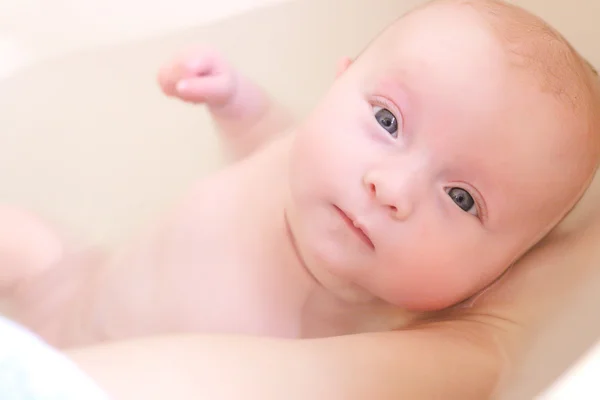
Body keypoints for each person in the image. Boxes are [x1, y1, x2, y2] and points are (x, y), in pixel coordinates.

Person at [2, 0, 600, 349]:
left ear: (499, 273)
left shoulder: (372, 341)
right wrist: (233, 100)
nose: (391, 187)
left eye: (463, 198)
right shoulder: (299, 157)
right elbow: (265, 139)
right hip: (69, 285)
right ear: (338, 82)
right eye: (389, 120)